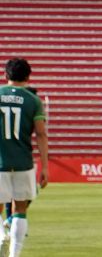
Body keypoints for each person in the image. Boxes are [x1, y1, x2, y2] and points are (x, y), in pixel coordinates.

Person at [0, 58, 48, 257]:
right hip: (23, 163)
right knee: (20, 208)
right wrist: (44, 166)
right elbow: (41, 134)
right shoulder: (33, 100)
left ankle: (1, 236)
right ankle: (14, 255)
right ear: (29, 76)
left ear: (6, 75)